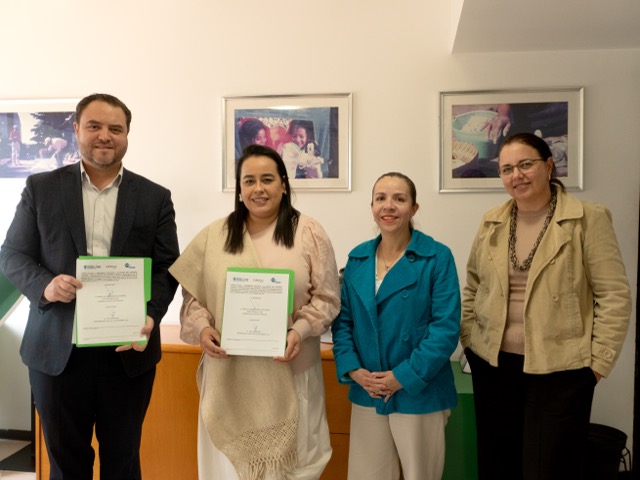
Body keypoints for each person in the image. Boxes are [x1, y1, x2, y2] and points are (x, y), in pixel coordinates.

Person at [0, 93, 180, 479]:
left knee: (123, 464)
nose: (104, 136)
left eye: (115, 128)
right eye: (94, 126)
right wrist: (46, 286)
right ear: (77, 129)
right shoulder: (41, 188)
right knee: (66, 466)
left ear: (127, 134)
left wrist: (151, 315)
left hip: (127, 353)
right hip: (56, 353)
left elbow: (168, 267)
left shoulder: (154, 197)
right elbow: (12, 255)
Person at [460, 132, 631, 480]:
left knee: (549, 469)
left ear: (549, 165)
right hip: (493, 365)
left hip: (561, 370)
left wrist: (597, 366)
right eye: (507, 169)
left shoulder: (587, 218)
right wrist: (470, 342)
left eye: (525, 164)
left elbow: (614, 295)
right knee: (497, 466)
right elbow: (473, 286)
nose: (516, 175)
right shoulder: (492, 221)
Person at [169, 144, 340, 480]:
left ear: (283, 185)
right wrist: (202, 328)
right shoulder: (215, 236)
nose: (258, 189)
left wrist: (299, 331)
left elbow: (327, 298)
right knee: (230, 471)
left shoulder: (309, 232)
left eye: (267, 179)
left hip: (293, 374)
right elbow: (192, 297)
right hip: (230, 380)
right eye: (249, 181)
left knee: (294, 465)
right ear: (239, 188)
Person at [331, 172, 461, 480]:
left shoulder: (437, 257)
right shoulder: (358, 259)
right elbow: (343, 322)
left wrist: (401, 377)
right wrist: (354, 371)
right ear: (372, 207)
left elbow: (445, 330)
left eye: (399, 199)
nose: (388, 206)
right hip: (368, 390)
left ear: (414, 208)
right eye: (381, 198)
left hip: (419, 390)